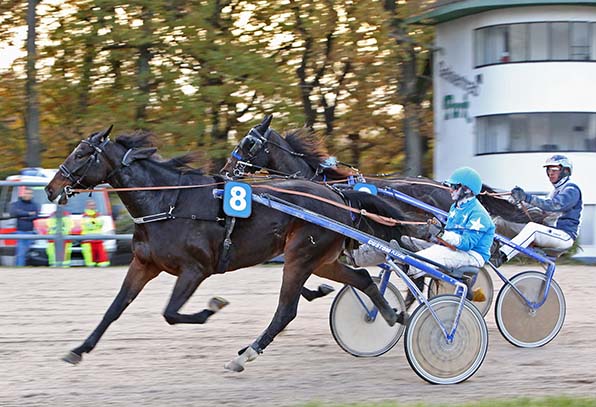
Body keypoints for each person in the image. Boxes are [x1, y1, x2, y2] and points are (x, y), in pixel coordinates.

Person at [351, 167, 496, 309]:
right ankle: (362, 255)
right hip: (452, 249)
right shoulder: (456, 207)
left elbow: (466, 244)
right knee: (405, 241)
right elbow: (449, 236)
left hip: (471, 256)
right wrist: (436, 230)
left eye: (454, 186)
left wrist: (441, 234)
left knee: (437, 253)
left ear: (467, 190)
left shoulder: (479, 215)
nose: (450, 189)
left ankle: (408, 266)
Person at [497, 154, 582, 263]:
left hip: (564, 236)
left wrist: (527, 197)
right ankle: (488, 251)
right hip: (548, 233)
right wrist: (516, 201)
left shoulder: (571, 189)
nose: (550, 173)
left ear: (565, 171)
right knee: (500, 223)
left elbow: (553, 205)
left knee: (533, 228)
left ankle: (502, 256)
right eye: (548, 169)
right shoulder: (553, 192)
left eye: (554, 169)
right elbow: (540, 208)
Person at [9, 187, 40, 266]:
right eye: (26, 193)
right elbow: (14, 213)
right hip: (21, 232)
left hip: (32, 233)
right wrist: (29, 214)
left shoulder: (35, 205)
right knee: (21, 253)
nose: (28, 195)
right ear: (22, 194)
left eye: (30, 193)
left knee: (30, 254)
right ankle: (19, 270)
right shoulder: (16, 204)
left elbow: (36, 216)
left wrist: (23, 215)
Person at [81, 199, 110, 267]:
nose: (92, 206)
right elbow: (88, 225)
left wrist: (94, 223)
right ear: (87, 206)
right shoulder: (85, 216)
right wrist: (94, 222)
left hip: (98, 238)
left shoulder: (98, 215)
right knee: (90, 259)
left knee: (102, 258)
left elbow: (100, 224)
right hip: (88, 239)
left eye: (93, 205)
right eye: (90, 205)